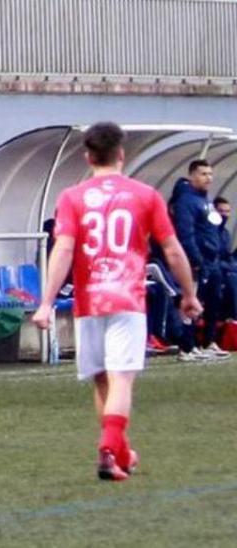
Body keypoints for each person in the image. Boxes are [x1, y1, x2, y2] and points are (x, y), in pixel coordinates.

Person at [32, 122, 202, 481]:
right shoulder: (145, 195)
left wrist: (46, 302)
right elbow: (172, 249)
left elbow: (63, 249)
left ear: (88, 156)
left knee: (101, 381)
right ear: (122, 154)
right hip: (127, 298)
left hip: (89, 301)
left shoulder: (71, 197)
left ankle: (121, 452)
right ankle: (110, 451)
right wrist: (189, 294)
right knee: (121, 379)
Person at [168, 160, 229, 358]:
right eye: (203, 174)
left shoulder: (205, 200)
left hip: (213, 260)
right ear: (192, 175)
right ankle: (187, 346)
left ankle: (208, 342)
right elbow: (186, 233)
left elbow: (210, 228)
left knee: (213, 301)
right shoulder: (186, 200)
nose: (208, 178)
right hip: (198, 259)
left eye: (210, 174)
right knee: (192, 301)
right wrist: (195, 258)